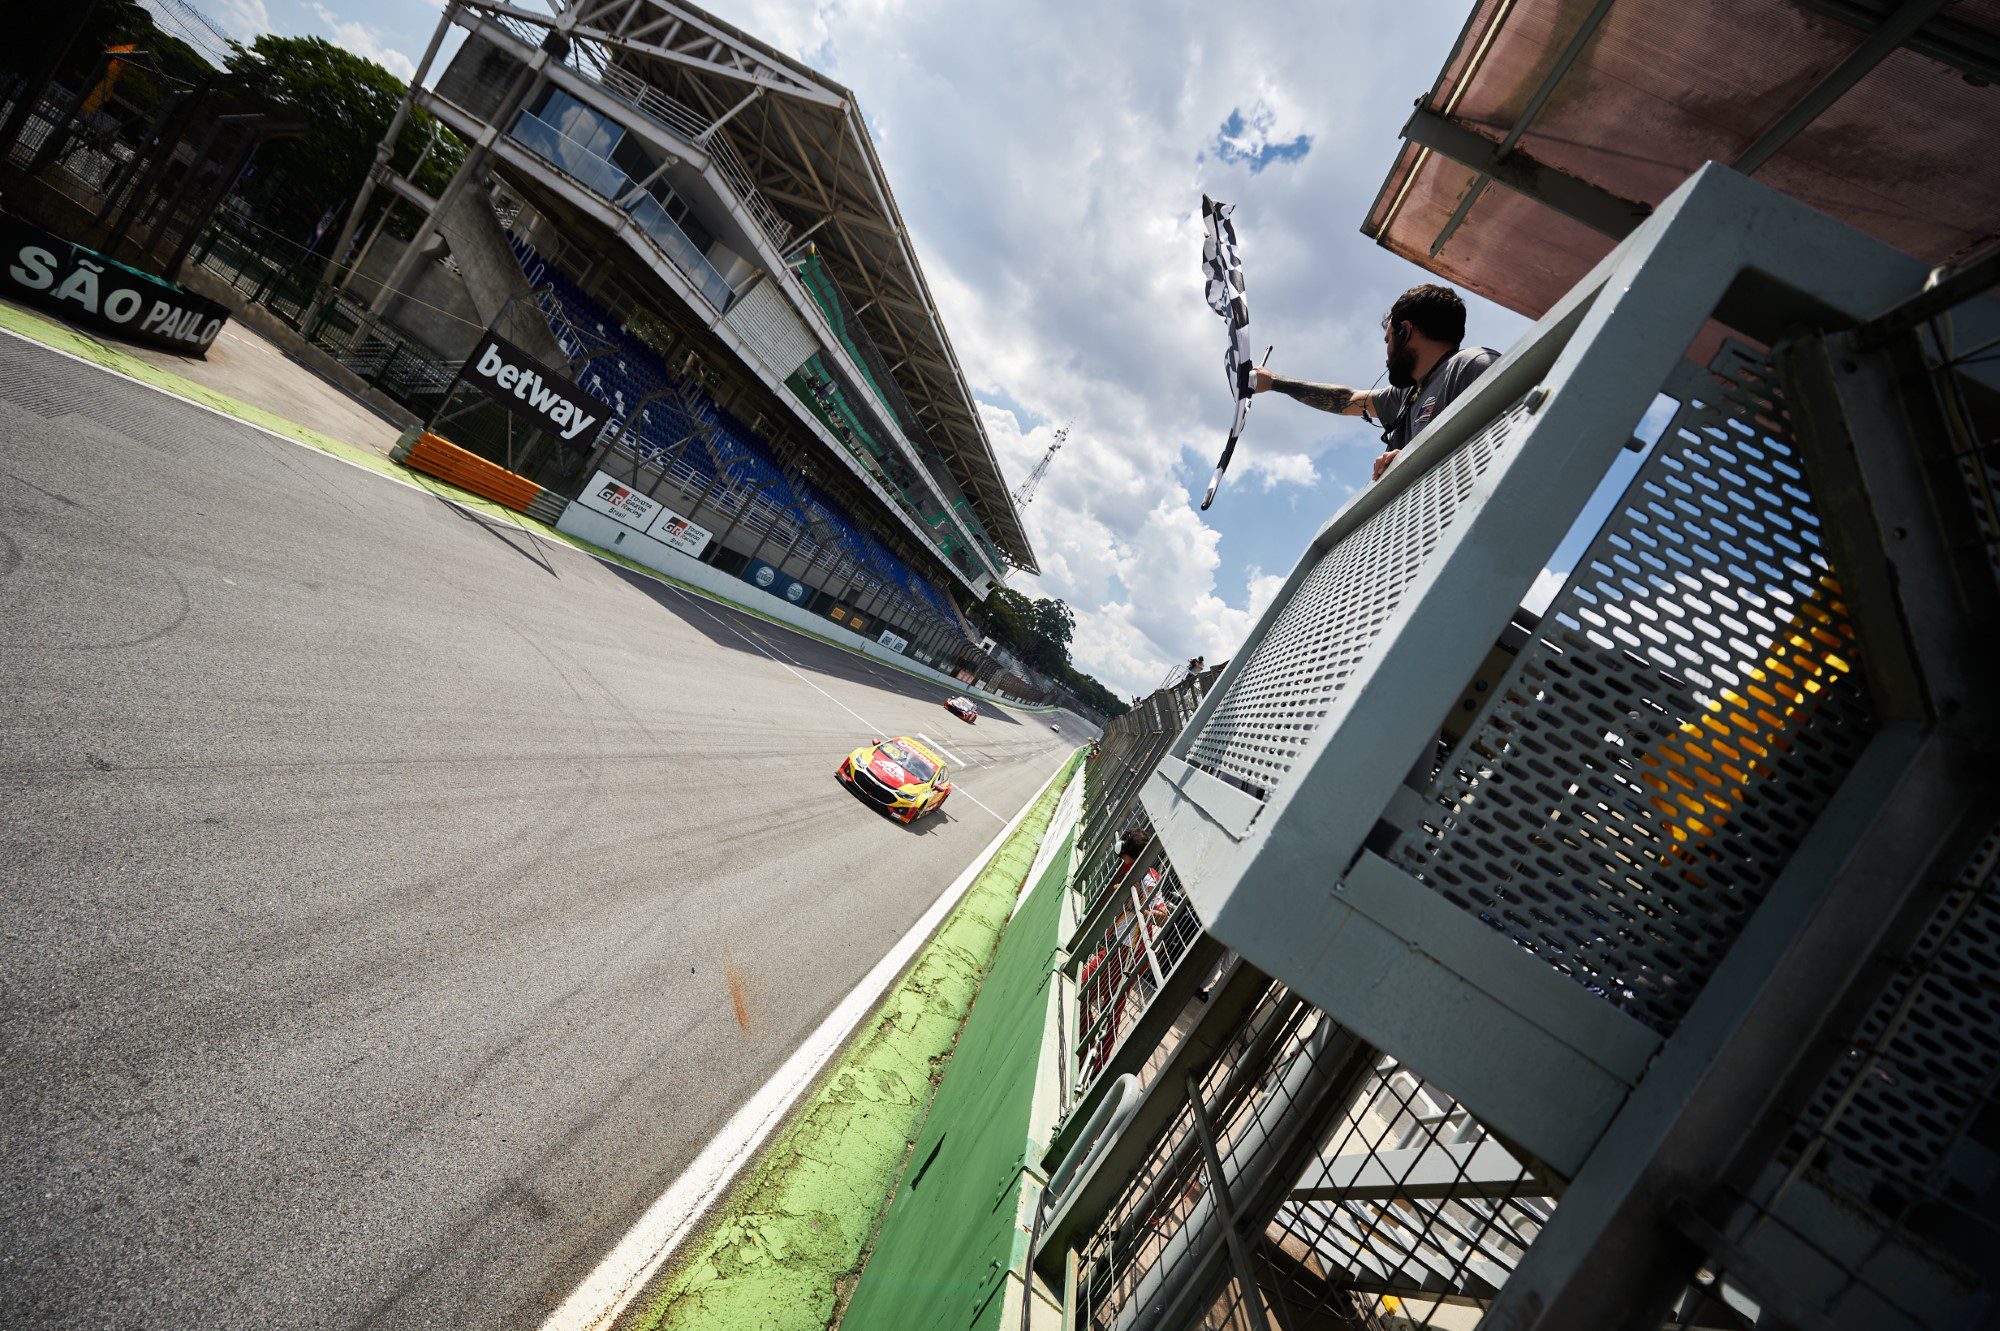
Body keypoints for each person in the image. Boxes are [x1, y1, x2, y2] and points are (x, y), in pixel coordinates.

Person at [1251, 283, 1499, 483]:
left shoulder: (1471, 365)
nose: (1386, 355)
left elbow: (1499, 443)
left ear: (1405, 331)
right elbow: (1346, 400)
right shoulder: (1406, 395)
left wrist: (1414, 461)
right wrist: (1273, 383)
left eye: (1388, 339)